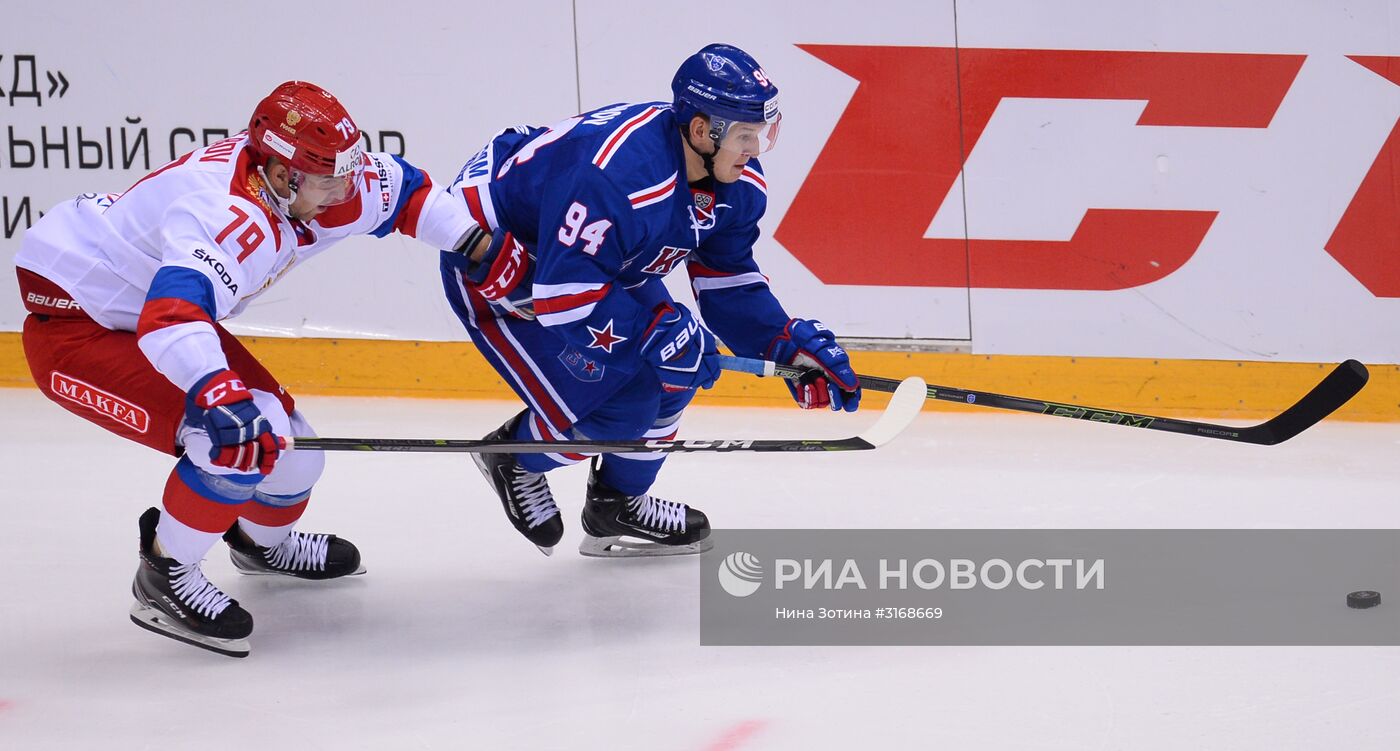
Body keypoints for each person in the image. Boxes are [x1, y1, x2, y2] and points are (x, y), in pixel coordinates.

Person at [14, 81, 485, 657]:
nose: (344, 190)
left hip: (145, 306)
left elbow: (408, 194)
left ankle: (261, 544)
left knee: (296, 449)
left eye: (345, 171)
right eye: (328, 179)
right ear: (284, 174)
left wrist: (481, 247)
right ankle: (166, 571)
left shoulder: (309, 185)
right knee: (235, 440)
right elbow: (173, 317)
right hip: (78, 325)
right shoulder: (226, 213)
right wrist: (218, 393)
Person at [440, 43, 862, 558]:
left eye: (762, 133)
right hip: (504, 258)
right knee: (623, 403)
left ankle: (616, 505)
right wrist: (652, 330)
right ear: (704, 130)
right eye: (746, 135)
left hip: (596, 257)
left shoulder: (734, 180)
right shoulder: (618, 181)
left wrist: (784, 345)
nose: (756, 149)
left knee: (675, 367)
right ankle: (514, 455)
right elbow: (562, 294)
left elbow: (727, 279)